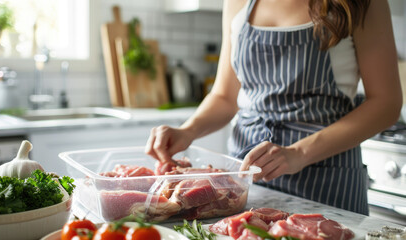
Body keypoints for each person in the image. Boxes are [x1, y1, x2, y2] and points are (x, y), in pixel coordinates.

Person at [145, 0, 402, 215]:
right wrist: (187, 131)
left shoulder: (361, 3)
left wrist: (298, 153)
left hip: (327, 180)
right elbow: (225, 96)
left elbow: (386, 103)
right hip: (247, 179)